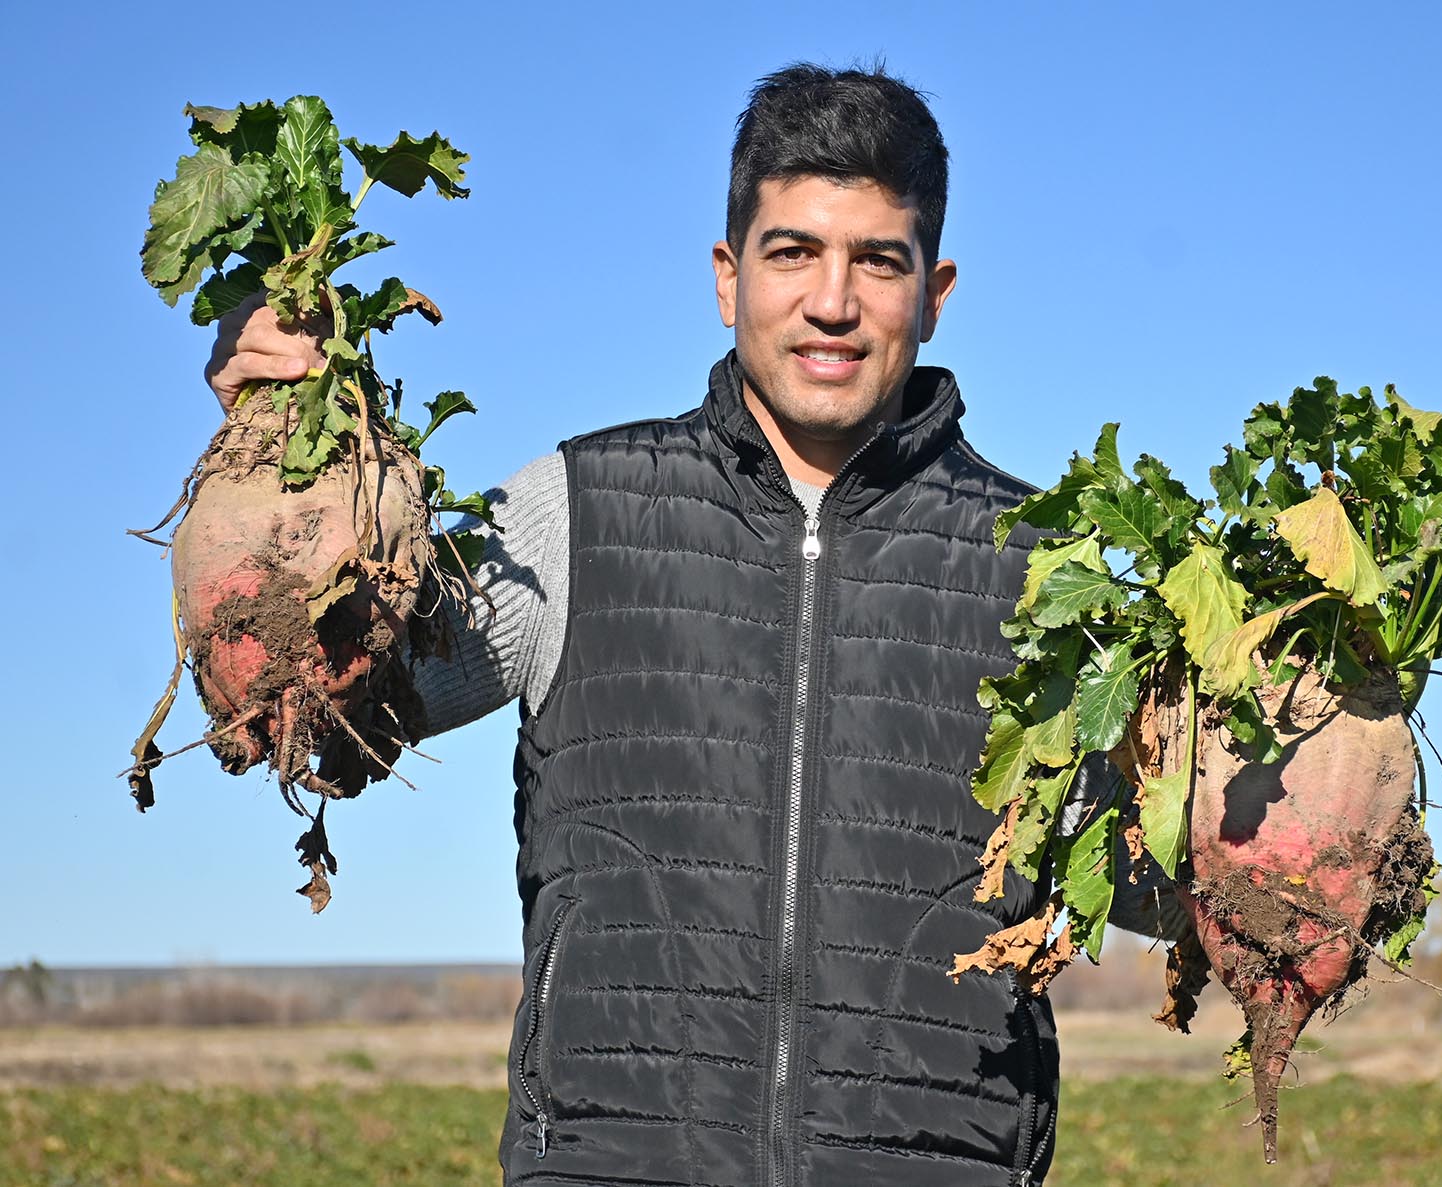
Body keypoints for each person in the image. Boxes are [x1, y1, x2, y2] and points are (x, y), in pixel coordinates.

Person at [206, 63, 1173, 1187]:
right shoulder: (570, 510)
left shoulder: (1046, 570)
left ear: (936, 289)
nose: (832, 301)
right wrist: (287, 444)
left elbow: (1162, 875)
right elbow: (335, 705)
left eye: (879, 260)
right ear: (728, 276)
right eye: (793, 251)